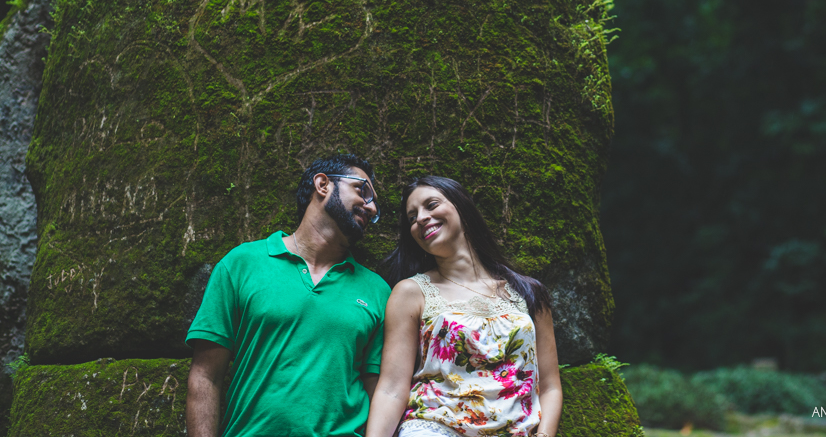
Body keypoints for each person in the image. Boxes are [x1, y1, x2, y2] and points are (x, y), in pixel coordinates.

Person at [185, 153, 391, 437]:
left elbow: (380, 393)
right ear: (323, 184)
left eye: (375, 204)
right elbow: (205, 376)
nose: (371, 207)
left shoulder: (378, 291)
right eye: (362, 191)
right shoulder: (242, 263)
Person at [366, 176, 562, 437]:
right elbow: (391, 389)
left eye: (431, 205)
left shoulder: (529, 293)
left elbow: (549, 387)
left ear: (462, 207)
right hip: (434, 429)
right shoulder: (411, 293)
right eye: (412, 217)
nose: (421, 218)